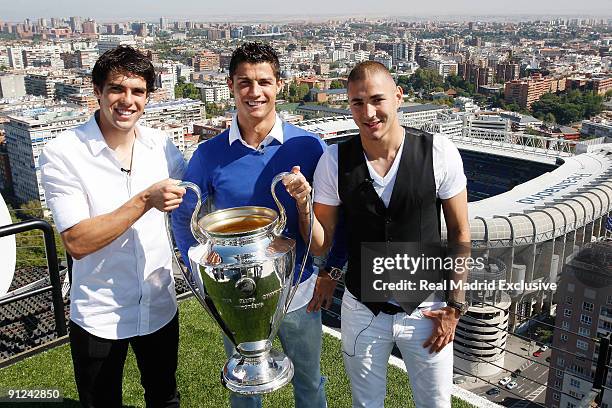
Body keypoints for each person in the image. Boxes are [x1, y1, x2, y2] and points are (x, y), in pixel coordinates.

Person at [284, 61, 471, 408]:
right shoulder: (333, 160)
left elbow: (460, 232)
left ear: (398, 97)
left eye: (377, 99)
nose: (368, 112)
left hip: (426, 310)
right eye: (357, 102)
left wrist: (454, 306)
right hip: (362, 311)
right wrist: (303, 204)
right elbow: (322, 242)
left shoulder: (439, 152)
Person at [172, 42, 341, 408]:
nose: (254, 92)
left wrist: (328, 272)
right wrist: (197, 269)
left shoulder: (310, 146)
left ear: (279, 85)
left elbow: (331, 219)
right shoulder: (209, 153)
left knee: (310, 382)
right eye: (245, 82)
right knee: (245, 386)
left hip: (299, 291)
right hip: (238, 293)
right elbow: (184, 215)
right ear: (231, 85)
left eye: (264, 81)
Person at [40, 45, 186, 408]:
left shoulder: (162, 147)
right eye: (117, 89)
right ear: (98, 91)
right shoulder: (63, 153)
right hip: (99, 313)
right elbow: (76, 240)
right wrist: (143, 200)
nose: (127, 100)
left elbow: (189, 211)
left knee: (165, 397)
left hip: (158, 305)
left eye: (138, 91)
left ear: (149, 97)